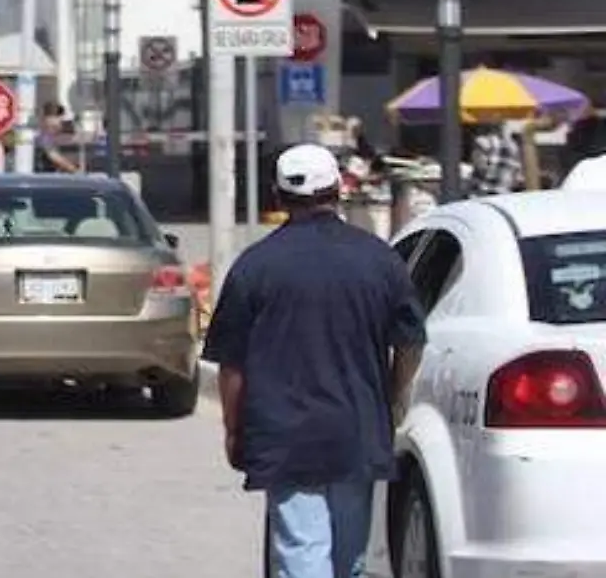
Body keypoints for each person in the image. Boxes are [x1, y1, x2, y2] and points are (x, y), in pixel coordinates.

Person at [203, 143, 428, 578]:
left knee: (301, 554)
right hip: (357, 429)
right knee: (350, 560)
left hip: (285, 437)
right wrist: (395, 398)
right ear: (339, 188)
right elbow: (411, 340)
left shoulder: (255, 266)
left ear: (278, 195)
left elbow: (232, 366)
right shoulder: (379, 260)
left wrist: (234, 429)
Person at [468, 121, 524, 197]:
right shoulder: (513, 145)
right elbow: (517, 176)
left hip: (483, 193)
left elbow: (481, 167)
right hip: (505, 193)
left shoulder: (481, 141)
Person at [33, 103, 80, 174]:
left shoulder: (46, 135)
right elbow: (53, 156)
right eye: (62, 122)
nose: (62, 126)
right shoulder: (44, 135)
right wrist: (75, 171)